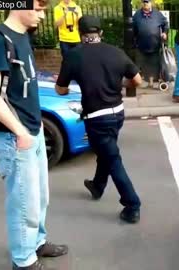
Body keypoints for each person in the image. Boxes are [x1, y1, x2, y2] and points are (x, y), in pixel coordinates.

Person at [0, 1, 69, 269]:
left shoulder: (23, 37)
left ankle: (37, 242)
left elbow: (22, 90)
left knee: (39, 197)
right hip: (13, 138)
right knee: (23, 204)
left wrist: (37, 126)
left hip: (32, 131)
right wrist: (20, 131)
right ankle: (23, 260)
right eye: (39, 8)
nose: (43, 15)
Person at [55, 15, 142, 224]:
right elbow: (137, 81)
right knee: (107, 150)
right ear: (100, 33)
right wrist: (116, 83)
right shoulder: (116, 52)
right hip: (118, 113)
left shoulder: (74, 56)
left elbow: (60, 89)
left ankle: (132, 205)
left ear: (80, 33)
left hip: (96, 117)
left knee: (112, 158)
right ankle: (97, 185)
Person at [132, 0, 169, 89]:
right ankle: (142, 81)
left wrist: (164, 32)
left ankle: (151, 82)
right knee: (142, 64)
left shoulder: (157, 14)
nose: (145, 4)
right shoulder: (137, 15)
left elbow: (165, 24)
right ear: (142, 3)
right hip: (141, 45)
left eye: (147, 2)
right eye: (144, 2)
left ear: (151, 3)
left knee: (154, 64)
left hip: (155, 44)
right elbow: (133, 28)